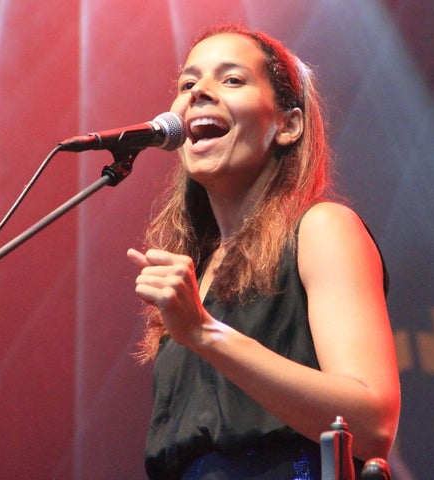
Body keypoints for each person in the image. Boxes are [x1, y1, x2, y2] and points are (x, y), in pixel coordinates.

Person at [127, 24, 400, 480]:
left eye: (231, 80)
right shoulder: (200, 267)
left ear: (289, 124)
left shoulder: (322, 229)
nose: (199, 94)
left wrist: (204, 333)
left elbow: (371, 422)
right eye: (187, 84)